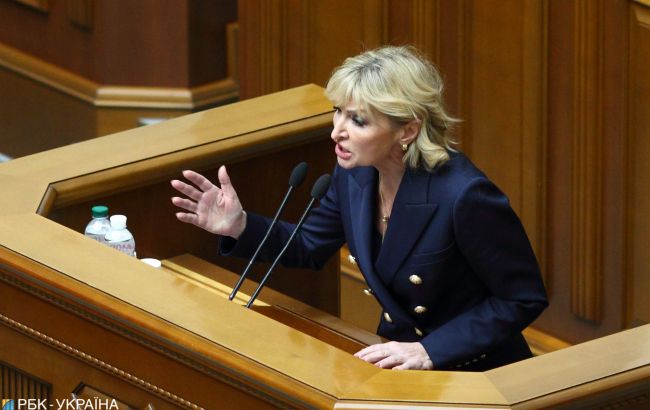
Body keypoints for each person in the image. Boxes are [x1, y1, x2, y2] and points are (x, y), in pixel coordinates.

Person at [170, 45, 548, 371]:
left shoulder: (464, 195)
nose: (337, 131)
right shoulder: (355, 175)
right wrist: (239, 225)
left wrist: (430, 350)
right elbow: (309, 245)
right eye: (338, 111)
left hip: (473, 371)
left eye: (358, 120)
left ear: (407, 130)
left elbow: (522, 297)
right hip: (397, 359)